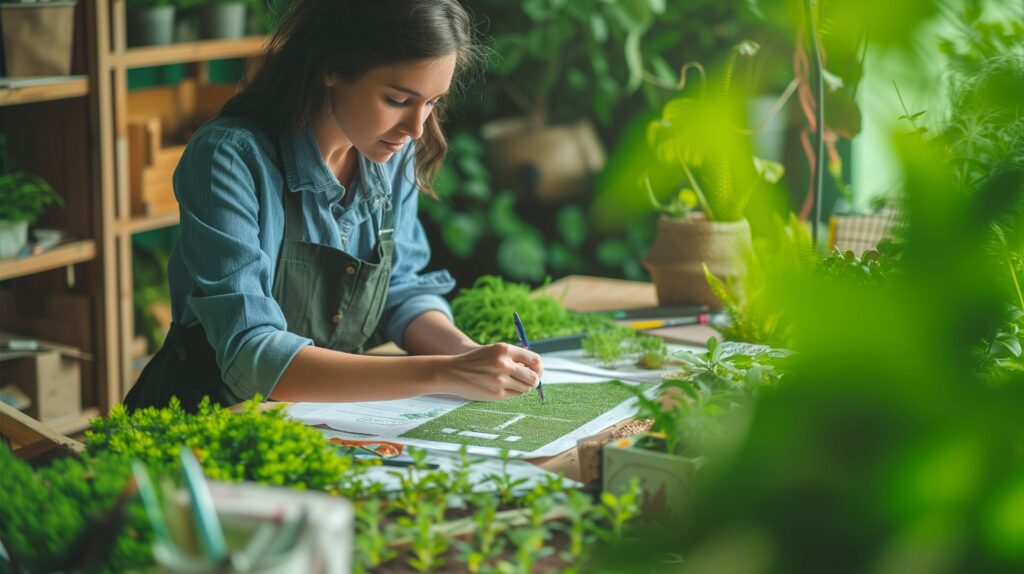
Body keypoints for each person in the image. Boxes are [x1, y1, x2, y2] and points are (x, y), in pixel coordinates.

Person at [124, 0, 543, 412]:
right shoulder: (230, 158)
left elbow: (402, 291)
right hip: (209, 420)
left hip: (320, 416)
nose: (416, 129)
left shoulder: (391, 154)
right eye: (398, 100)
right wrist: (444, 372)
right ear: (332, 68)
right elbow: (254, 354)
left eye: (432, 102)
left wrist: (469, 355)